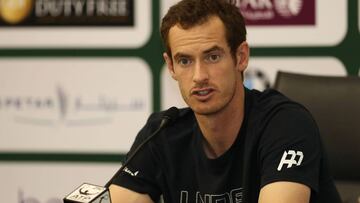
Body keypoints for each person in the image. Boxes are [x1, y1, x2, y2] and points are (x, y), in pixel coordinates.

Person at [108, 0, 341, 202]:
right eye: (185, 61)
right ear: (171, 66)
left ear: (241, 57)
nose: (199, 76)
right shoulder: (162, 133)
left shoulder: (286, 125)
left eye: (213, 56)